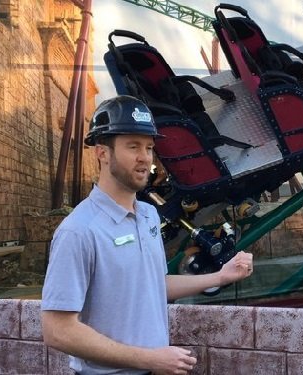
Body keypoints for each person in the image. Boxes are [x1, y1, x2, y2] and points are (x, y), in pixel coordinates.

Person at [41, 95, 254, 375]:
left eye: (149, 147)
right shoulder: (79, 231)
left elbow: (154, 284)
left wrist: (220, 277)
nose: (145, 158)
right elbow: (57, 330)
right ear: (102, 153)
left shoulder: (149, 215)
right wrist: (149, 360)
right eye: (133, 146)